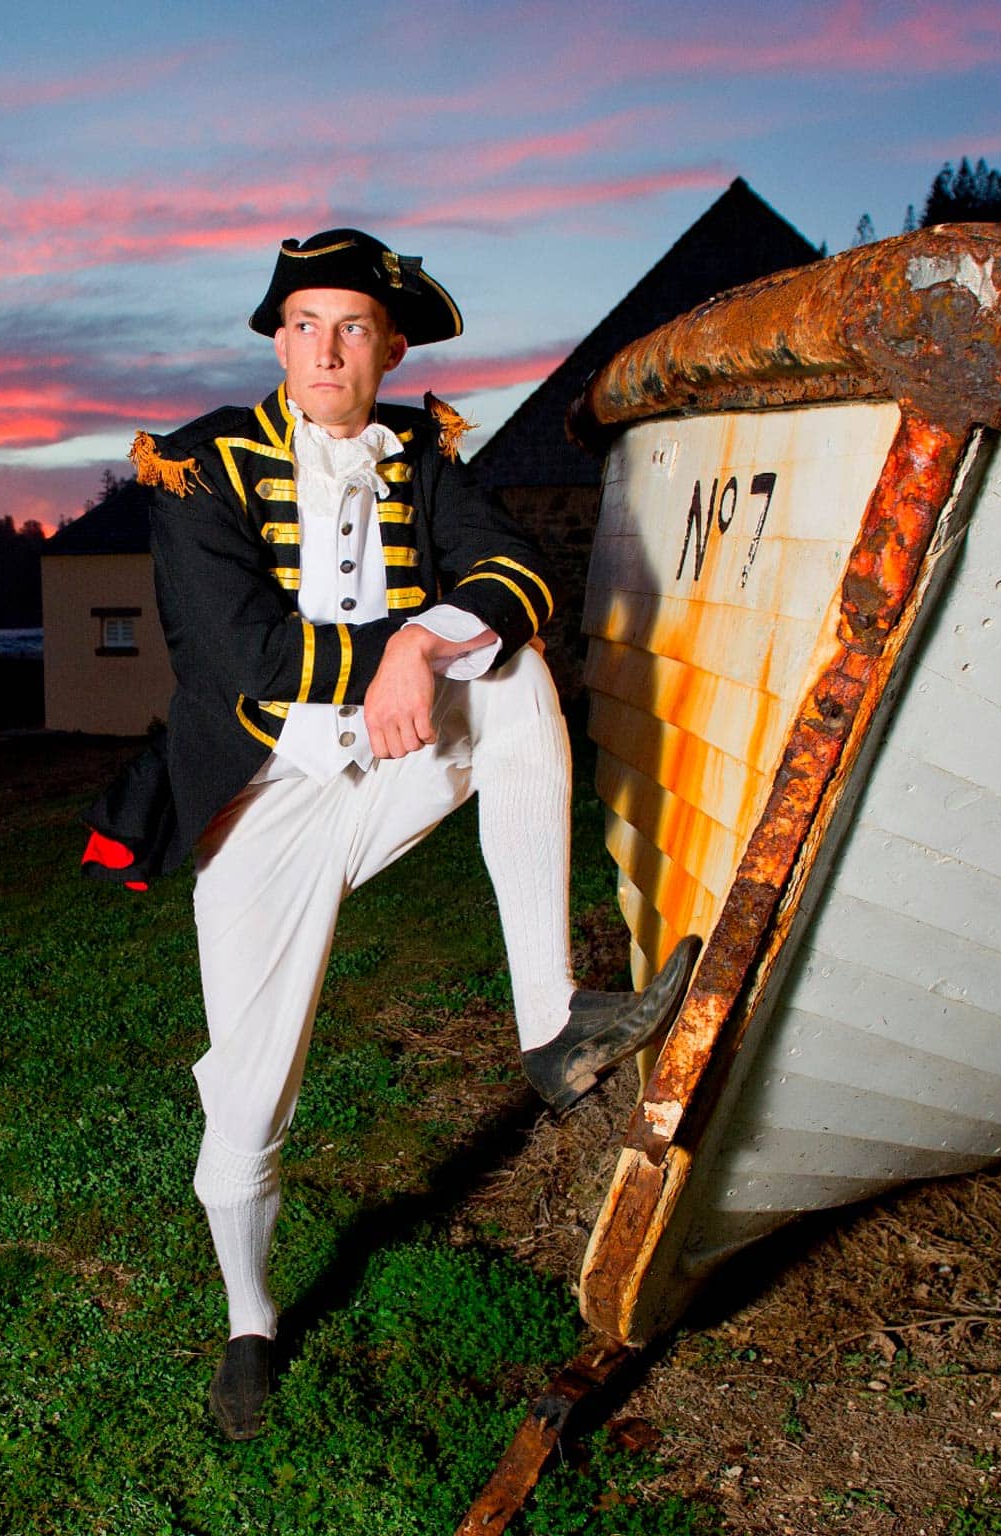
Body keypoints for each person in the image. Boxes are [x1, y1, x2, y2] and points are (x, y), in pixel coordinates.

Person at [82, 229, 696, 1440]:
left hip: (401, 757)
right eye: (305, 324)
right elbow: (236, 653)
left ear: (389, 346)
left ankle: (548, 1025)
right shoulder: (198, 464)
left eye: (352, 327)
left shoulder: (418, 449)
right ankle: (248, 1320)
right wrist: (398, 654)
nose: (326, 348)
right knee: (246, 1107)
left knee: (512, 676)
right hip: (265, 798)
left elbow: (512, 569)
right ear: (274, 339)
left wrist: (424, 643)